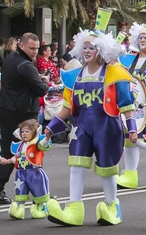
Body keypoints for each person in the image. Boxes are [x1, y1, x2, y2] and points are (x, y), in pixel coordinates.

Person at [45, 23, 135, 226]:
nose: (87, 51)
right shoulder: (73, 76)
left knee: (107, 169)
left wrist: (132, 128)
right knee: (76, 166)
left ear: (100, 51)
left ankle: (112, 207)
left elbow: (126, 104)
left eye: (91, 47)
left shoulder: (114, 74)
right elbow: (67, 107)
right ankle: (74, 209)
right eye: (84, 47)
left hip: (107, 128)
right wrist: (50, 128)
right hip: (81, 127)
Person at [0, 33, 49, 205]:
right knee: (30, 151)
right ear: (21, 45)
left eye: (37, 48)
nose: (35, 51)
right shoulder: (25, 65)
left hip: (7, 110)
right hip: (23, 115)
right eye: (32, 48)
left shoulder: (11, 58)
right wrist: (45, 81)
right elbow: (41, 90)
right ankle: (37, 193)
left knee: (9, 150)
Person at [117, 22, 146, 189]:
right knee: (131, 138)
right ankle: (130, 174)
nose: (143, 40)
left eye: (145, 37)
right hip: (134, 106)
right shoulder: (131, 58)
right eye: (140, 37)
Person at [5, 119, 52, 220]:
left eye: (27, 131)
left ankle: (40, 208)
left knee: (39, 193)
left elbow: (43, 144)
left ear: (34, 132)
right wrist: (7, 161)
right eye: (22, 131)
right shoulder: (20, 145)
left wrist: (47, 138)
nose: (24, 134)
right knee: (20, 192)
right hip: (21, 173)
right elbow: (16, 157)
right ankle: (19, 209)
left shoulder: (36, 143)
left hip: (34, 172)